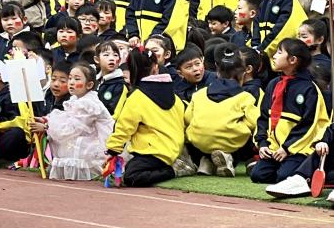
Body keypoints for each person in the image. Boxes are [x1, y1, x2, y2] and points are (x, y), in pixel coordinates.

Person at [254, 39, 330, 198]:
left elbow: (309, 125)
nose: (274, 56)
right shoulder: (273, 84)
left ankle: (308, 172)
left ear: (292, 60)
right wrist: (262, 143)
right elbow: (263, 117)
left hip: (299, 148)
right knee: (258, 175)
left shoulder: (309, 88)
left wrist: (287, 148)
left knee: (284, 176)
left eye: (279, 52)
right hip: (276, 148)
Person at [105, 48, 184, 188]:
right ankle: (173, 163)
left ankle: (173, 171)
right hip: (172, 149)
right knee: (131, 165)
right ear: (155, 68)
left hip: (153, 152)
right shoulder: (174, 96)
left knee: (131, 176)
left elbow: (124, 126)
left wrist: (113, 150)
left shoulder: (137, 97)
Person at [183, 45, 257, 178]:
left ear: (217, 72)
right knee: (247, 133)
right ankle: (247, 161)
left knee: (204, 132)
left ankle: (207, 161)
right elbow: (254, 122)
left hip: (200, 143)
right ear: (243, 74)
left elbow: (188, 118)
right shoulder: (245, 97)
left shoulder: (199, 94)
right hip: (231, 143)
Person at [32, 63, 113, 180]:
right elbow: (67, 118)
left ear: (89, 85)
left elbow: (71, 129)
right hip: (87, 140)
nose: (71, 82)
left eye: (77, 79)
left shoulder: (88, 104)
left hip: (98, 148)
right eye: (70, 78)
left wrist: (46, 127)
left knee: (72, 141)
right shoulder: (76, 99)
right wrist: (46, 120)